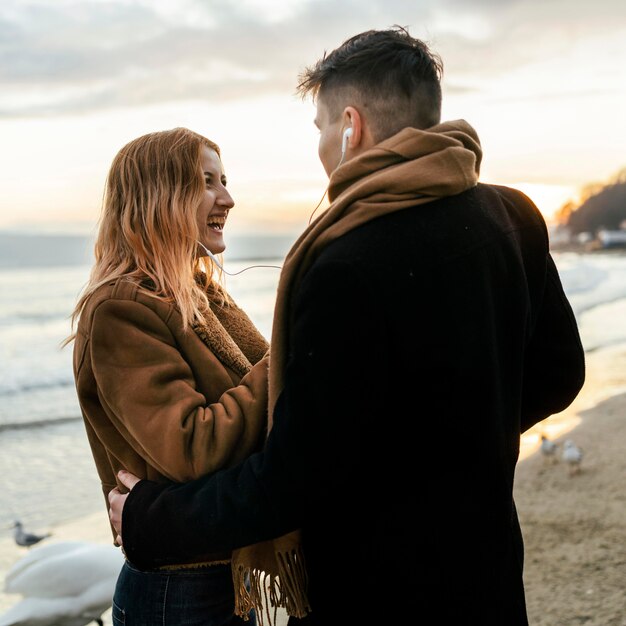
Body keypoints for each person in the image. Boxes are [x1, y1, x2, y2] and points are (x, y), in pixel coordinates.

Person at [108, 27, 586, 625]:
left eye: (321, 130)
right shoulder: (514, 214)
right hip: (486, 565)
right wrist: (459, 444)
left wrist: (155, 522)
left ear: (351, 127)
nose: (322, 147)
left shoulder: (346, 264)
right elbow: (560, 374)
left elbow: (297, 476)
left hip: (380, 588)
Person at [67, 127, 270, 625]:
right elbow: (192, 449)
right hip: (177, 589)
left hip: (219, 571)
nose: (228, 197)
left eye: (223, 180)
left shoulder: (200, 298)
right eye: (205, 182)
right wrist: (291, 354)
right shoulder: (120, 308)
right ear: (158, 198)